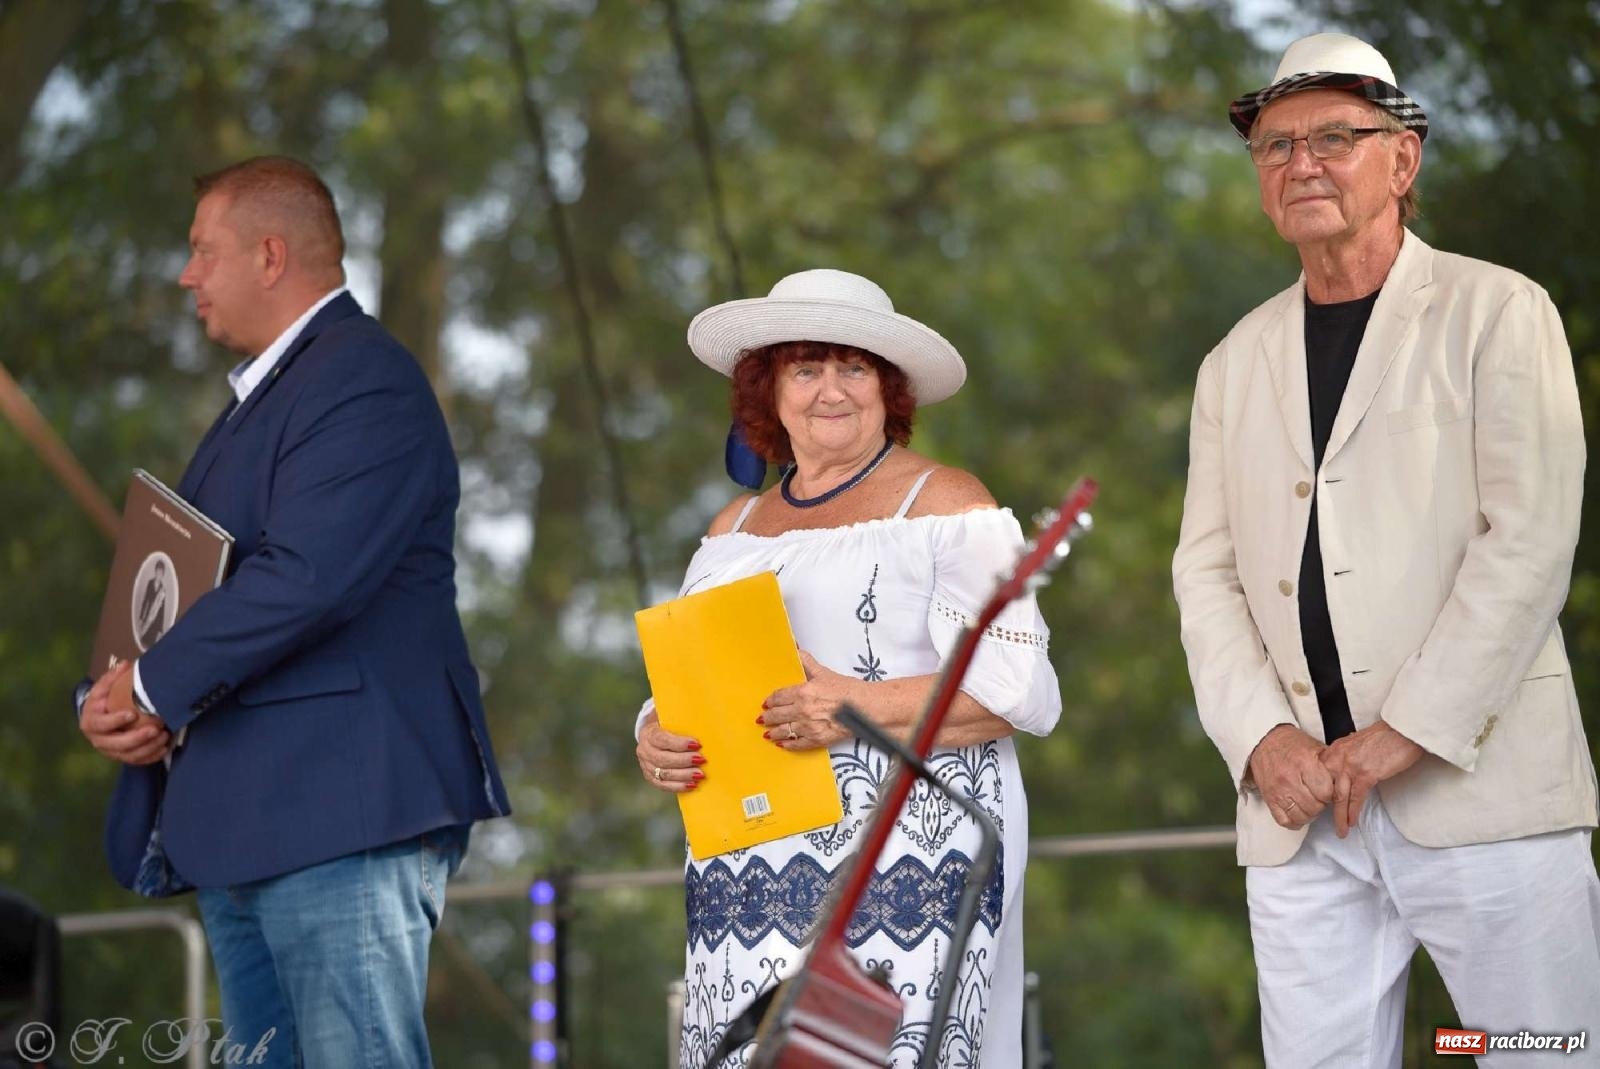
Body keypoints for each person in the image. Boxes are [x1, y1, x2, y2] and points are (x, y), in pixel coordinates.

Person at [1172, 32, 1600, 1067]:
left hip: (1481, 790)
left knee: (1527, 1051)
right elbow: (1205, 571)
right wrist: (1259, 739)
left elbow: (1530, 538)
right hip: (1300, 812)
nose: (1300, 163)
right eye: (1274, 146)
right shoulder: (1232, 363)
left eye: (1333, 136)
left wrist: (1403, 728)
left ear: (1401, 160)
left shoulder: (1496, 310)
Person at [74, 156, 511, 1069]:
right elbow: (190, 588)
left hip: (338, 817)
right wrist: (112, 691)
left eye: (201, 251)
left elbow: (306, 575)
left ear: (269, 255)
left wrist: (149, 685)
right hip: (248, 823)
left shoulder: (362, 380)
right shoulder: (264, 403)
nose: (186, 274)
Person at [634, 268, 1062, 1068]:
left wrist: (855, 704)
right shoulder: (734, 527)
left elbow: (1020, 690)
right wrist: (654, 731)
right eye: (805, 367)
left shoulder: (947, 502)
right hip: (748, 871)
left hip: (909, 862)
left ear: (887, 389)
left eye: (854, 367)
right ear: (769, 392)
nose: (831, 388)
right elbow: (686, 676)